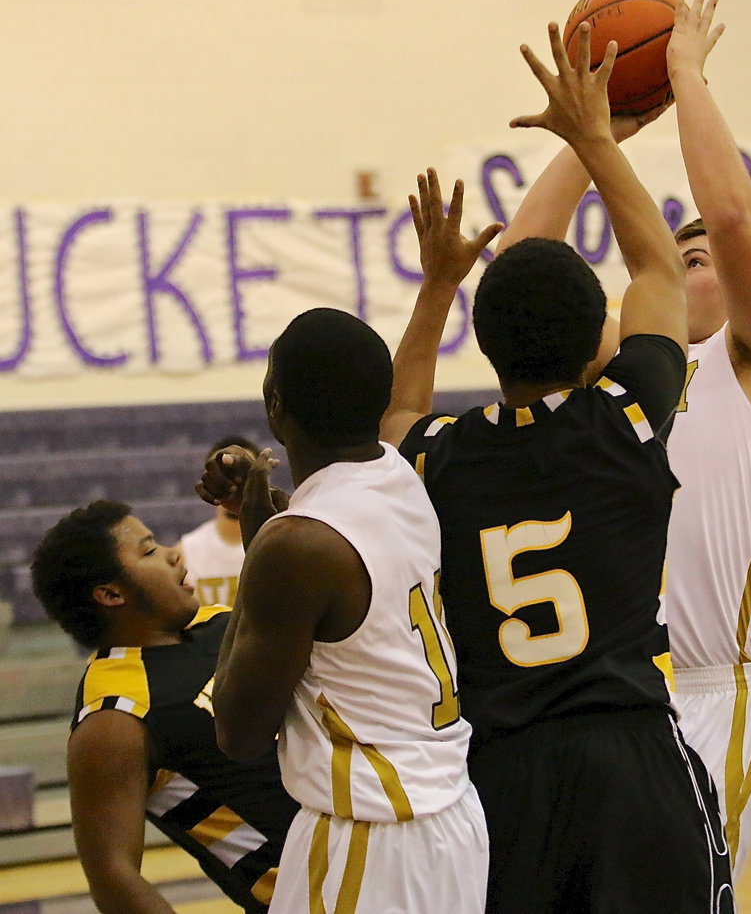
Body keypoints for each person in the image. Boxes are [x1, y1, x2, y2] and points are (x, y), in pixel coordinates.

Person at [379, 20, 733, 913]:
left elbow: (395, 415)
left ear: (484, 344)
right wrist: (596, 139)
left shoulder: (436, 457)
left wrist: (435, 290)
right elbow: (655, 262)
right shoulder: (625, 422)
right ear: (595, 347)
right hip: (631, 756)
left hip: (501, 777)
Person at [494, 0, 751, 876]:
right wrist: (599, 133)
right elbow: (522, 275)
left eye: (699, 258)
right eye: (675, 255)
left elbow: (736, 218)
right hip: (634, 691)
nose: (683, 262)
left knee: (689, 891)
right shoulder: (635, 373)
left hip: (731, 688)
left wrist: (683, 74)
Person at [197, 308, 489, 913]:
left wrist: (261, 549)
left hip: (370, 834)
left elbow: (238, 734)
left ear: (274, 405)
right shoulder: (401, 472)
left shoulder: (296, 546)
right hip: (452, 816)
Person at [29, 500, 298, 913]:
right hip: (314, 894)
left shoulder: (220, 623)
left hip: (395, 849)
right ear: (111, 593)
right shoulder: (114, 714)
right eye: (149, 551)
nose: (174, 553)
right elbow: (113, 875)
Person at [178, 434, 260, 605]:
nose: (235, 482)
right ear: (206, 482)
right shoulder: (184, 554)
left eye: (245, 472)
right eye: (224, 473)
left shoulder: (282, 541)